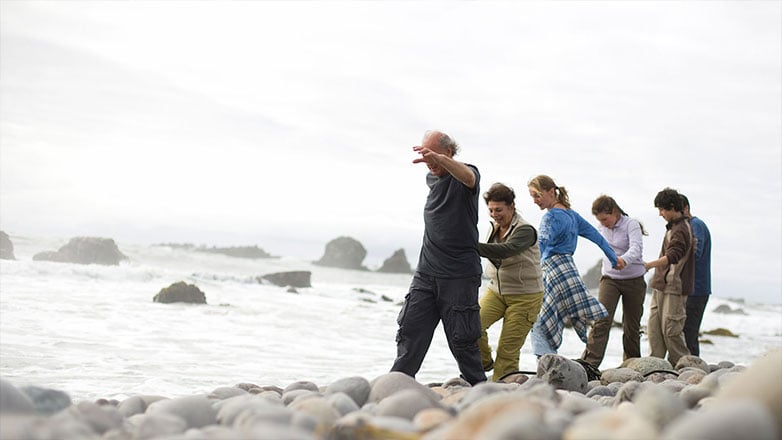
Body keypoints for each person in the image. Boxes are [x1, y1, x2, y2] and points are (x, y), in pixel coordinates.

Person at [390, 130, 486, 385]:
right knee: (410, 331)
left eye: (433, 154)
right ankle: (396, 384)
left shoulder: (466, 175)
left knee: (462, 340)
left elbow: (468, 177)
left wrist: (441, 161)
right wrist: (434, 162)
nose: (429, 160)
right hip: (426, 273)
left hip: (460, 275)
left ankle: (480, 392)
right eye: (425, 153)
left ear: (449, 153)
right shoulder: (431, 180)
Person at [526, 175, 623, 358]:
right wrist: (613, 258)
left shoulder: (550, 218)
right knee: (554, 315)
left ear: (550, 192)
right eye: (532, 196)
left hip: (553, 269)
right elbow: (597, 236)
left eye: (537, 195)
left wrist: (528, 272)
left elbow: (541, 245)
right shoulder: (572, 215)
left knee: (539, 319)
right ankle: (551, 358)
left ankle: (546, 360)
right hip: (568, 268)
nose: (534, 201)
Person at [476, 183, 544, 381]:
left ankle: (502, 389)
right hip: (496, 291)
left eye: (499, 210)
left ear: (511, 206)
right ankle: (484, 363)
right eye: (490, 210)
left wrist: (468, 244)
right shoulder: (493, 227)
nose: (494, 214)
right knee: (471, 326)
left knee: (507, 350)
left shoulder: (526, 231)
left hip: (525, 296)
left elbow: (507, 250)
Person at [580, 195, 648, 369]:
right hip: (610, 279)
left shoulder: (630, 224)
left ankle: (631, 364)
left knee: (631, 326)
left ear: (614, 212)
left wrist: (624, 260)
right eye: (599, 220)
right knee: (601, 320)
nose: (602, 223)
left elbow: (636, 248)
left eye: (605, 219)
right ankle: (589, 364)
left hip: (634, 280)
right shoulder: (601, 227)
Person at [644, 187, 695, 366]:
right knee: (654, 329)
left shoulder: (682, 228)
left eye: (662, 209)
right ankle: (655, 364)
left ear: (672, 207)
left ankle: (683, 366)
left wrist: (649, 265)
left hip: (675, 286)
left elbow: (674, 256)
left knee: (671, 330)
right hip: (661, 285)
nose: (660, 214)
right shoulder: (673, 227)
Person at [681, 194, 712, 357]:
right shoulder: (689, 225)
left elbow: (696, 253)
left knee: (689, 332)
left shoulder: (696, 225)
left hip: (697, 288)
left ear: (685, 208)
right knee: (687, 331)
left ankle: (692, 368)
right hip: (692, 288)